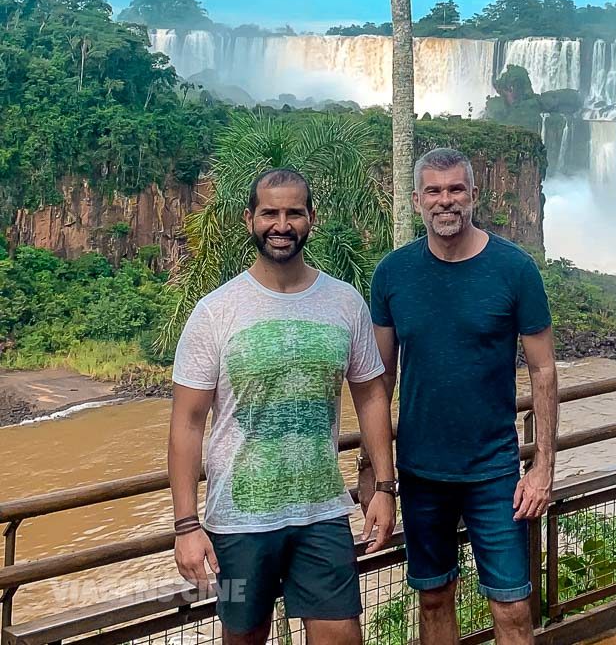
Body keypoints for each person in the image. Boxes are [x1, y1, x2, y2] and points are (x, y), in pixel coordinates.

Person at [168, 168, 397, 645]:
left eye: (294, 212)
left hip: (322, 514)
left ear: (312, 218)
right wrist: (186, 525)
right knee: (243, 637)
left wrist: (385, 488)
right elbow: (187, 424)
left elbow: (372, 393)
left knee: (342, 636)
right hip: (237, 522)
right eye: (270, 212)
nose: (282, 224)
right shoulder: (216, 311)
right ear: (249, 219)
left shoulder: (344, 302)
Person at [360, 148, 559, 645]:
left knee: (513, 606)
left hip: (494, 471)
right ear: (415, 201)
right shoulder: (392, 274)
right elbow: (378, 383)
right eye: (433, 190)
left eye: (455, 190)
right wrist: (376, 476)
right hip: (421, 471)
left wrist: (543, 468)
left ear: (474, 195)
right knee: (432, 598)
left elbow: (544, 370)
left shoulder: (515, 269)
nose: (445, 201)